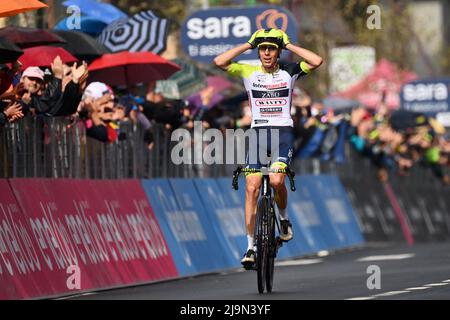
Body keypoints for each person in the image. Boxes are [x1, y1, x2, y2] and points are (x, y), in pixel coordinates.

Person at [214, 28, 323, 268]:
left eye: (271, 48)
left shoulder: (289, 71)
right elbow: (219, 61)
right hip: (258, 134)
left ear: (278, 51)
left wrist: (290, 44)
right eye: (262, 48)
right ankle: (251, 247)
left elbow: (316, 61)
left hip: (282, 134)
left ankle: (283, 220)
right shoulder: (249, 70)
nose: (265, 52)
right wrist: (247, 44)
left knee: (276, 181)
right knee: (251, 187)